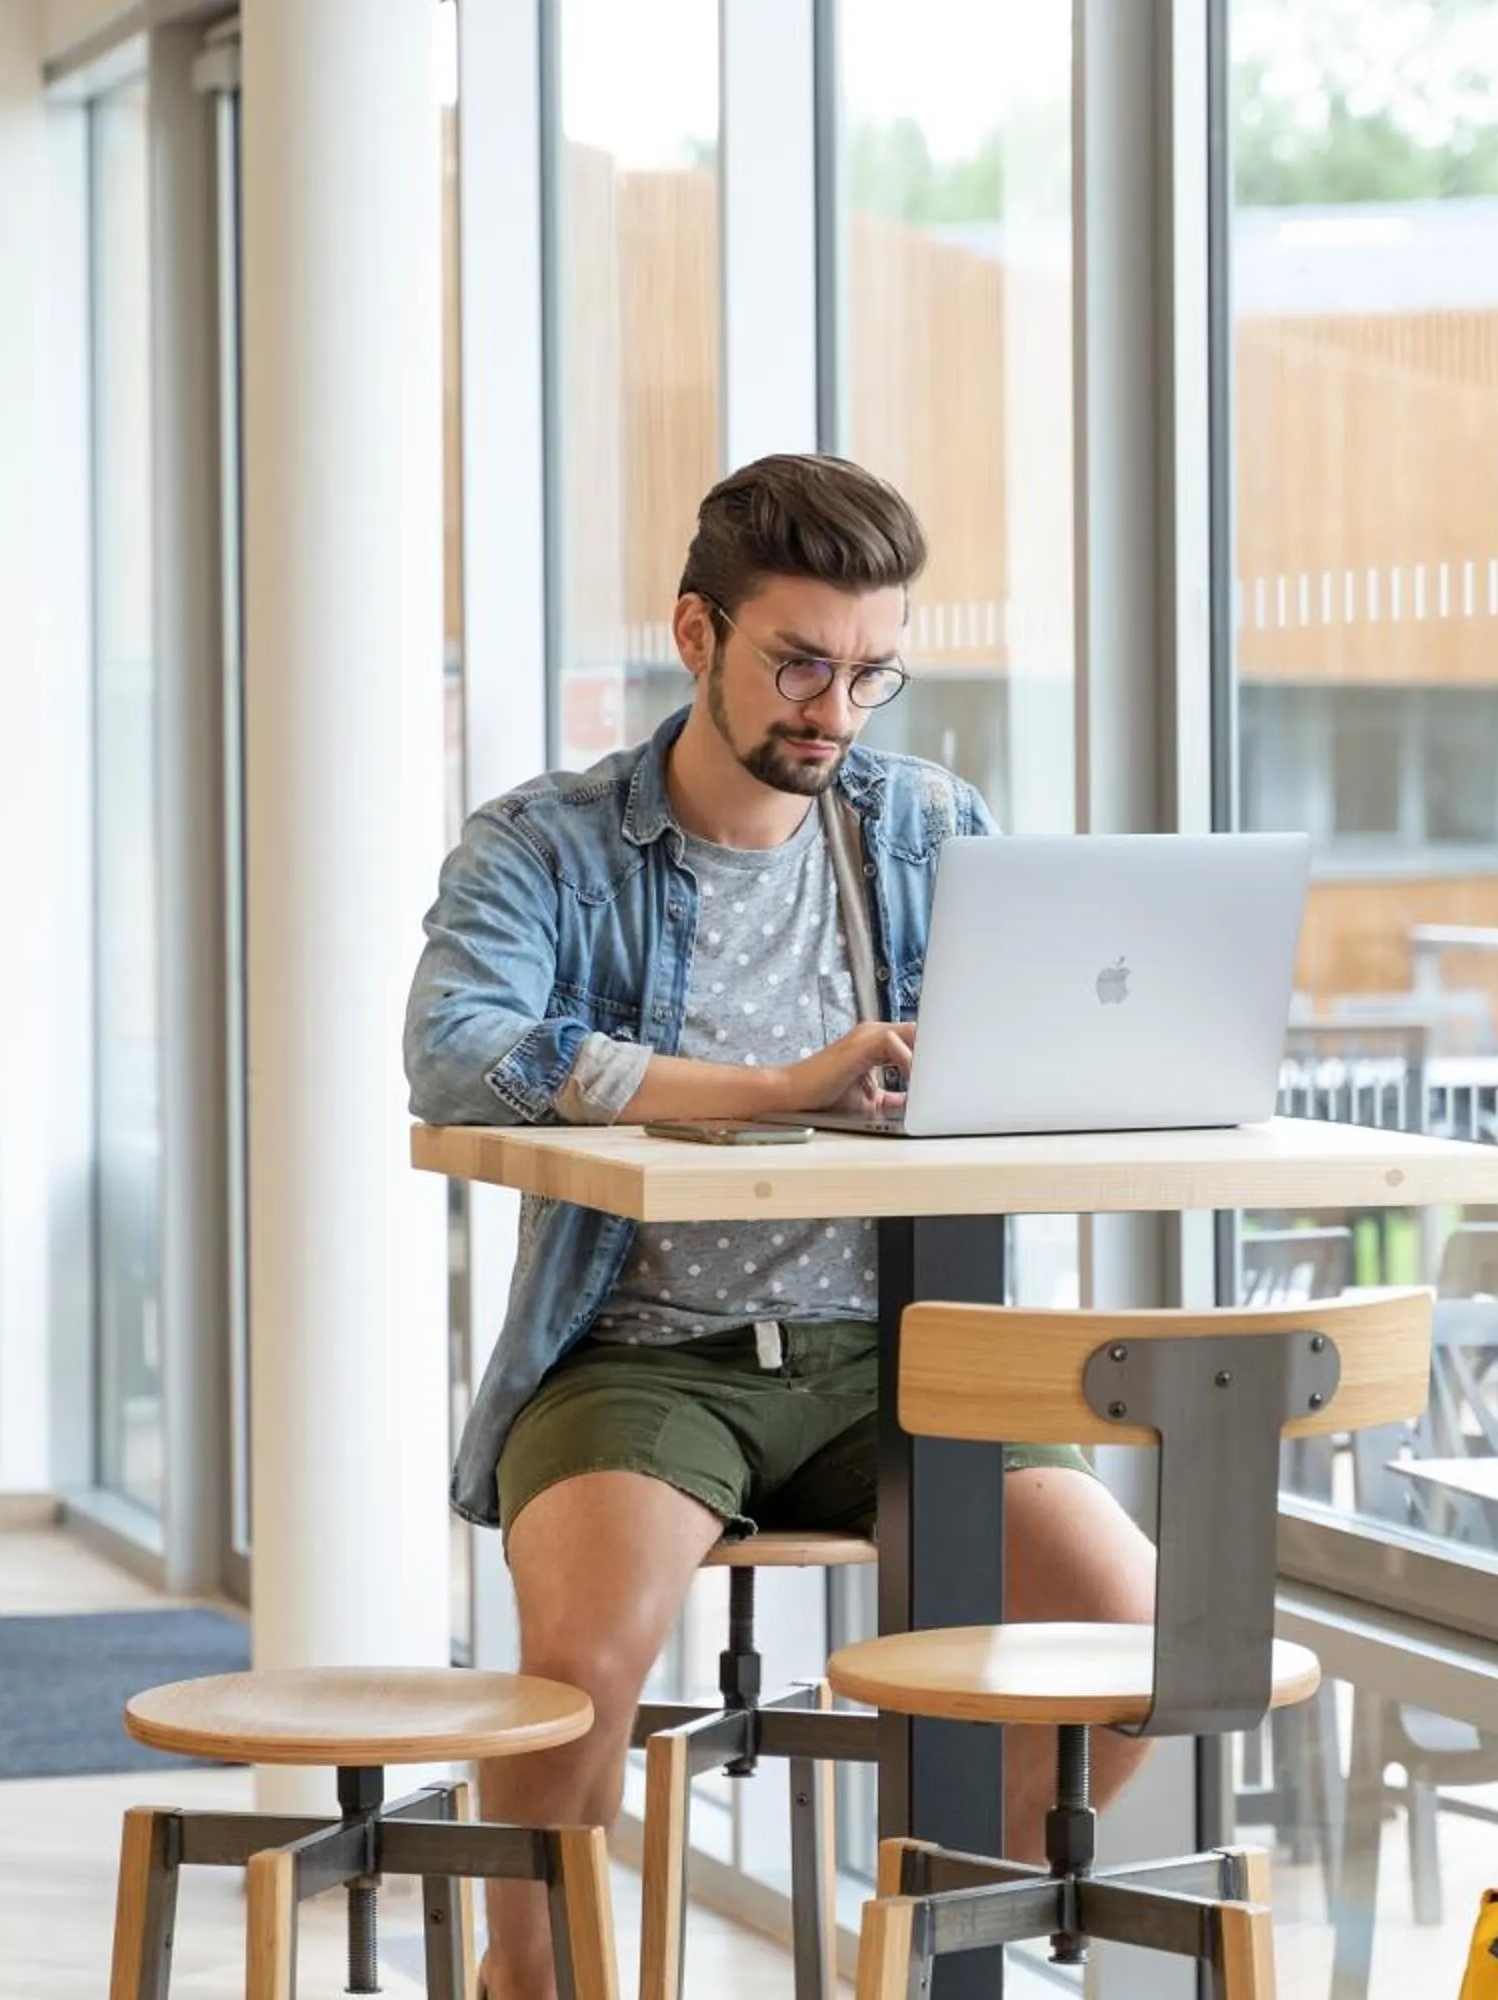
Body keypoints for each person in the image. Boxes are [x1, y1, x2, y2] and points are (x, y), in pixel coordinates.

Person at [404, 454, 1158, 1998]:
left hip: (901, 1354)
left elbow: (1035, 1041)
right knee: (580, 1677)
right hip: (643, 1357)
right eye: (801, 663)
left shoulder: (928, 823)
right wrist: (774, 1087)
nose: (835, 711)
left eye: (872, 672)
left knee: (1137, 1639)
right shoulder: (548, 846)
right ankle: (532, 1983)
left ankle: (932, 1945)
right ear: (696, 634)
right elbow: (457, 1048)